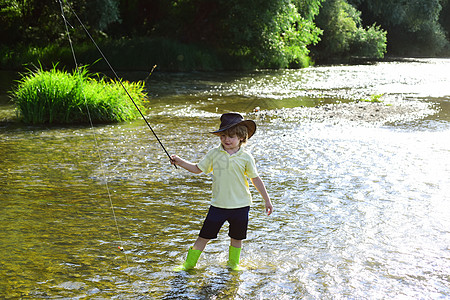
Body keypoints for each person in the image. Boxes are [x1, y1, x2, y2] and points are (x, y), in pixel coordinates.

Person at [171, 112, 273, 271]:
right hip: (218, 205)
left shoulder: (246, 157)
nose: (226, 140)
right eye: (223, 136)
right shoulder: (214, 153)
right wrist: (180, 162)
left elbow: (256, 179)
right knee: (203, 236)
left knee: (237, 238)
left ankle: (233, 265)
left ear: (241, 137)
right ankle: (188, 265)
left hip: (241, 206)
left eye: (231, 136)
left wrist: (267, 200)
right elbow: (198, 169)